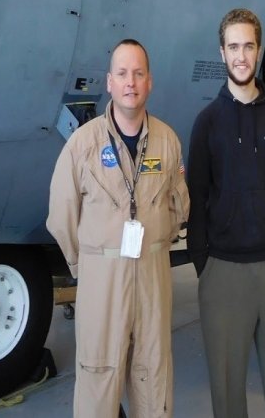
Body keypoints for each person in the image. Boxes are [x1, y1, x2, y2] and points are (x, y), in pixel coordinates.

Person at [47, 39, 190, 418]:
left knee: (153, 374)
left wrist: (156, 245)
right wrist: (85, 265)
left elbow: (179, 205)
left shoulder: (167, 141)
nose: (131, 82)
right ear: (109, 82)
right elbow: (61, 214)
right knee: (98, 377)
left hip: (152, 277)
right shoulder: (83, 145)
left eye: (138, 74)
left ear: (149, 82)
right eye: (123, 74)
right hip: (102, 280)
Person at [187, 8, 265, 418]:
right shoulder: (207, 123)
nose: (241, 56)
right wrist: (203, 263)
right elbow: (197, 197)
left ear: (259, 51)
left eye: (249, 46)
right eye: (233, 47)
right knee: (227, 392)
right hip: (222, 270)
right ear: (222, 53)